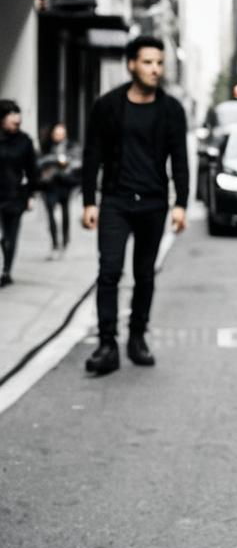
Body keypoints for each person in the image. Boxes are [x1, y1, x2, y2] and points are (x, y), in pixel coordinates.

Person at [81, 36, 188, 375]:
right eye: (148, 62)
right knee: (109, 272)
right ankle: (107, 344)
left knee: (144, 275)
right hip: (115, 200)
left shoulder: (171, 109)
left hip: (153, 203)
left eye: (159, 62)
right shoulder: (108, 106)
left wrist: (181, 203)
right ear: (131, 65)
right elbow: (92, 155)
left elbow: (180, 159)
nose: (155, 69)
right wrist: (88, 201)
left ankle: (137, 337)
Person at [0, 99, 39, 287]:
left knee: (10, 237)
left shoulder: (25, 141)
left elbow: (32, 171)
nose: (16, 118)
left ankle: (6, 270)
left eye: (17, 114)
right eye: (11, 114)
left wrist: (31, 195)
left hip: (16, 196)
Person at [38, 122, 81, 258]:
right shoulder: (46, 146)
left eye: (61, 134)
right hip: (50, 185)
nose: (59, 136)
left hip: (65, 184)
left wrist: (66, 161)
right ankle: (55, 244)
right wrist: (54, 159)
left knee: (65, 214)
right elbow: (38, 162)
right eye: (56, 134)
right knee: (51, 215)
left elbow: (78, 162)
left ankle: (65, 242)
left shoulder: (71, 146)